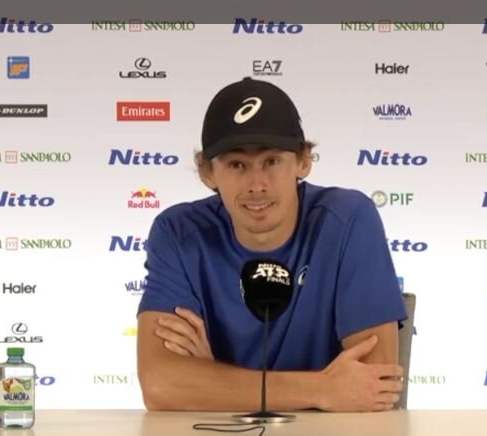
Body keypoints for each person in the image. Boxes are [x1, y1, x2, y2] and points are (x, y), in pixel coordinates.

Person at [136, 77, 407, 412]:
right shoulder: (177, 232)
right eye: (237, 165)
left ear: (304, 161)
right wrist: (323, 389)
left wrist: (211, 381)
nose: (257, 185)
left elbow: (374, 386)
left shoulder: (348, 218)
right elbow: (160, 385)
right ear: (207, 172)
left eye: (272, 161)